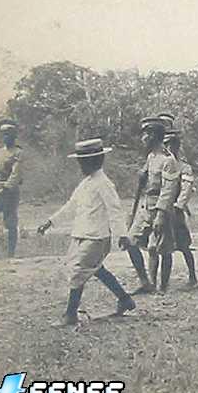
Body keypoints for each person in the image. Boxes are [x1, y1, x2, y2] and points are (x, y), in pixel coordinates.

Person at [37, 138, 136, 326]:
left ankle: (70, 314)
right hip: (82, 234)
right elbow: (71, 206)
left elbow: (115, 209)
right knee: (96, 269)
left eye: (83, 162)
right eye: (79, 162)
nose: (80, 166)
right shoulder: (86, 183)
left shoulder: (104, 184)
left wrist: (122, 234)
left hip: (97, 237)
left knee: (78, 272)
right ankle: (125, 299)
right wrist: (50, 222)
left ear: (95, 161)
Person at [127, 117, 180, 295]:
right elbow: (144, 182)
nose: (143, 138)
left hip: (161, 208)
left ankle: (162, 287)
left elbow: (168, 190)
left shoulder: (168, 160)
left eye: (146, 134)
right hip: (146, 206)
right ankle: (146, 282)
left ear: (154, 136)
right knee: (131, 241)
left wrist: (161, 214)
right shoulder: (151, 157)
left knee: (161, 248)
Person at [164, 129, 198, 287]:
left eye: (172, 145)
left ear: (177, 146)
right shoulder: (161, 164)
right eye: (166, 144)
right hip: (162, 210)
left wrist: (179, 205)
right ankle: (161, 282)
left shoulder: (184, 167)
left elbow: (187, 188)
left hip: (176, 211)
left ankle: (192, 276)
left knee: (184, 246)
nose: (169, 148)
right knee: (161, 247)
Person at [0, 119, 23, 258]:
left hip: (10, 192)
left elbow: (16, 174)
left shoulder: (18, 152)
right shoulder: (0, 152)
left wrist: (6, 187)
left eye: (8, 134)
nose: (5, 137)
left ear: (14, 136)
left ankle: (11, 254)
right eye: (3, 134)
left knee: (10, 223)